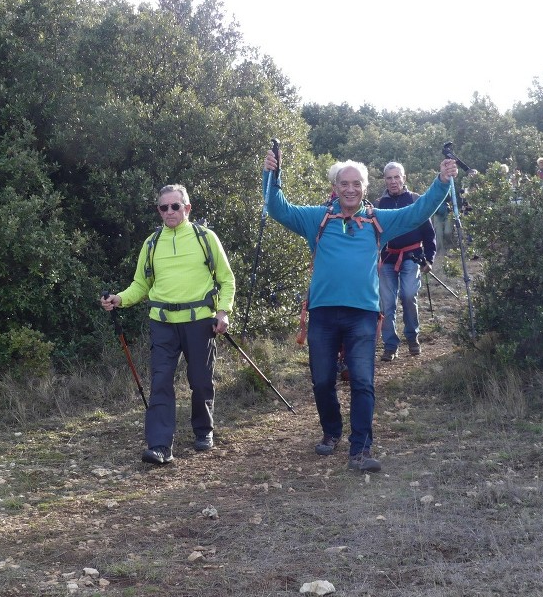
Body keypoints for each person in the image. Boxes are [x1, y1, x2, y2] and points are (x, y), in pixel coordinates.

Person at [261, 150, 460, 472]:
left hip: (363, 315)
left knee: (363, 381)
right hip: (324, 313)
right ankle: (331, 432)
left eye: (356, 184)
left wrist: (441, 182)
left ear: (365, 187)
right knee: (322, 381)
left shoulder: (378, 220)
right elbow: (277, 208)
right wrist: (272, 175)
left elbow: (419, 210)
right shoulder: (317, 218)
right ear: (335, 187)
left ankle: (360, 450)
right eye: (344, 183)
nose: (350, 189)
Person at [100, 184, 236, 466]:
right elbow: (141, 284)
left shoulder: (205, 238)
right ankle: (160, 446)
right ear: (159, 211)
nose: (170, 211)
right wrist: (119, 299)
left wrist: (222, 312)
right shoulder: (151, 244)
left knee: (200, 380)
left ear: (188, 208)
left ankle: (203, 430)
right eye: (164, 207)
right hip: (162, 324)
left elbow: (226, 279)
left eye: (176, 206)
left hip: (199, 322)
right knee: (160, 381)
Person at [376, 162, 437, 361]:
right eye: (389, 178)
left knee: (409, 295)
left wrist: (429, 258)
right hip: (387, 258)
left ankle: (412, 337)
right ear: (384, 180)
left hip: (412, 256)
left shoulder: (415, 200)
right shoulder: (379, 204)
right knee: (386, 303)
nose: (393, 181)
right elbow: (374, 235)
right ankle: (390, 345)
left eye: (396, 177)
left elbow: (429, 233)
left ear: (404, 178)